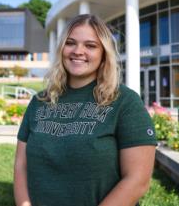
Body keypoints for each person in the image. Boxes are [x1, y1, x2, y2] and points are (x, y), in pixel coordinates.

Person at [14, 14, 157, 206]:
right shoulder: (39, 102)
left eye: (90, 45)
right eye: (71, 43)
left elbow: (137, 181)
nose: (78, 51)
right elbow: (21, 166)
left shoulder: (125, 102)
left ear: (104, 54)